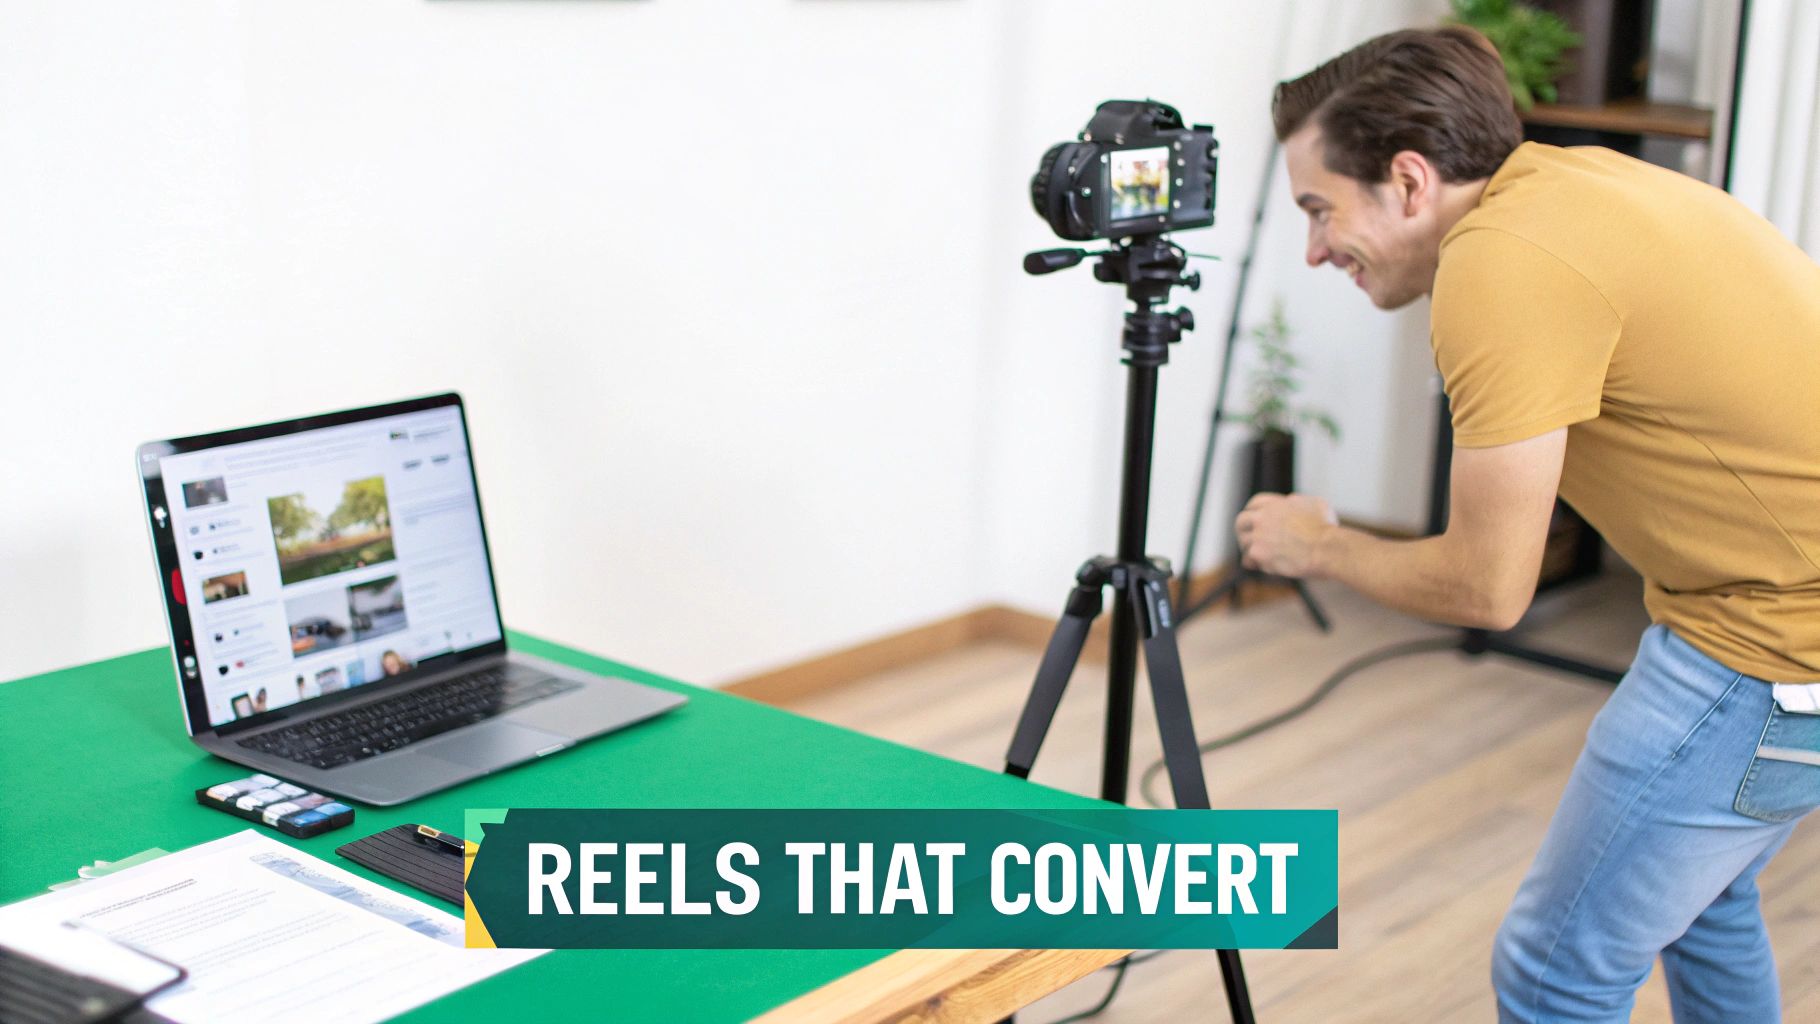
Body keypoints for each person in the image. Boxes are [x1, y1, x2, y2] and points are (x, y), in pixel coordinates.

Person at [1235, 26, 1820, 1023]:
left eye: (1320, 209)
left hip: (1769, 646)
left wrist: (1317, 545)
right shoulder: (1574, 184)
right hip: (1783, 627)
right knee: (1700, 905)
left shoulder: (1499, 263)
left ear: (1409, 181)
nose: (1314, 247)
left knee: (1556, 970)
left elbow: (1486, 588)